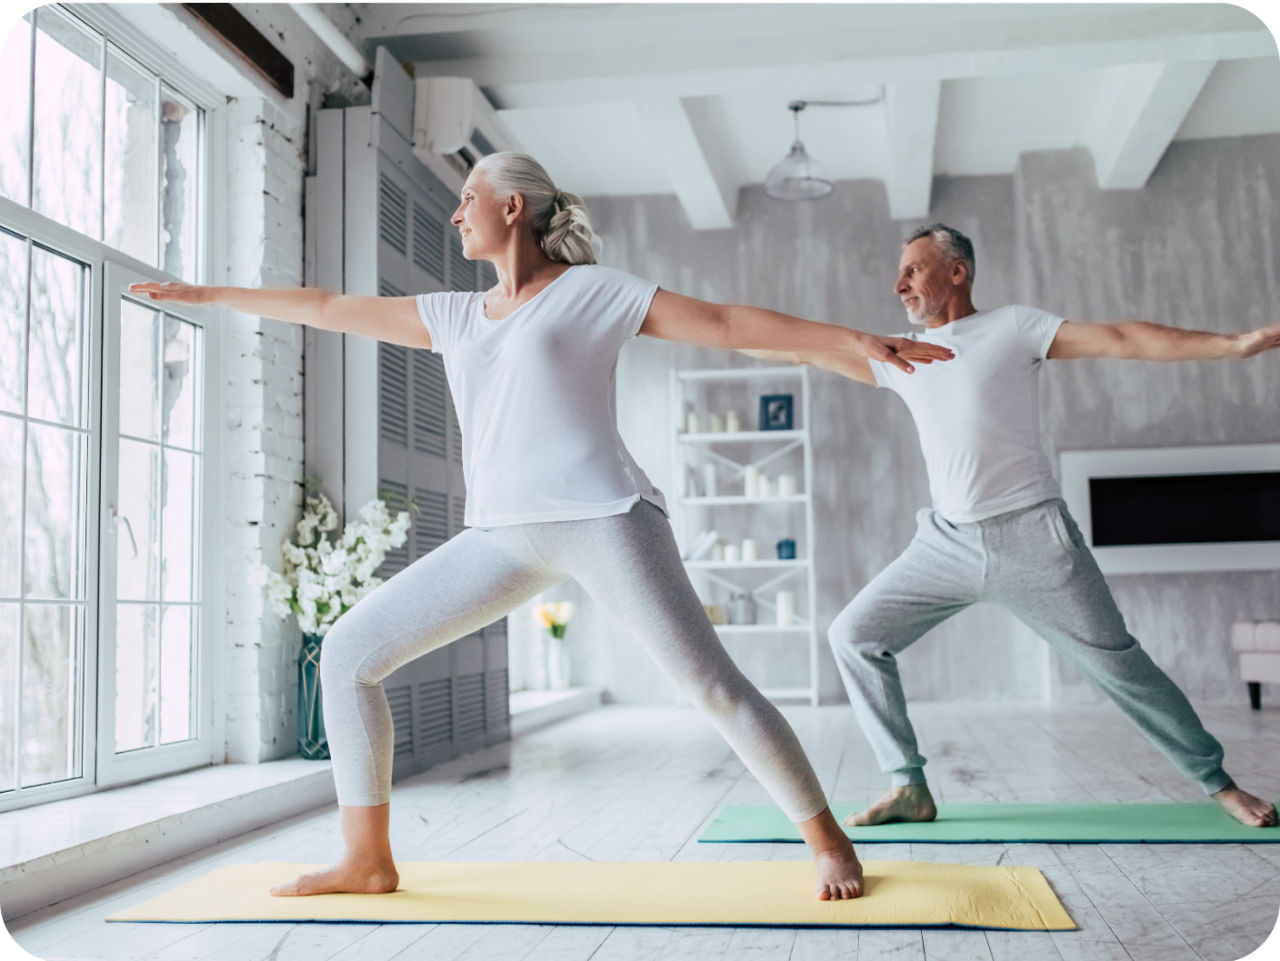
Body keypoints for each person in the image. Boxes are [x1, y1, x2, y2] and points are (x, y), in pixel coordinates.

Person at [130, 153, 955, 901]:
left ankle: (826, 840)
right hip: (501, 537)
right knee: (348, 655)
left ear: (512, 206)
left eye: (466, 200)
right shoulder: (455, 315)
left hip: (606, 518)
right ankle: (367, 859)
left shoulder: (592, 291)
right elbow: (328, 305)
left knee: (710, 685)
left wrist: (853, 341)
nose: (456, 215)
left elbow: (729, 325)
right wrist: (207, 295)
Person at [759, 222, 1280, 830]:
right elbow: (794, 347)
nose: (898, 283)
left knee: (1120, 667)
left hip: (1034, 538)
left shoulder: (1011, 327)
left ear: (957, 272)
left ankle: (1219, 783)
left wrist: (1237, 344)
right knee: (853, 635)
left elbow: (1118, 337)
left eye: (913, 269)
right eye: (899, 273)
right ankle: (908, 786)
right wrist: (698, 333)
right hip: (945, 544)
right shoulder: (897, 355)